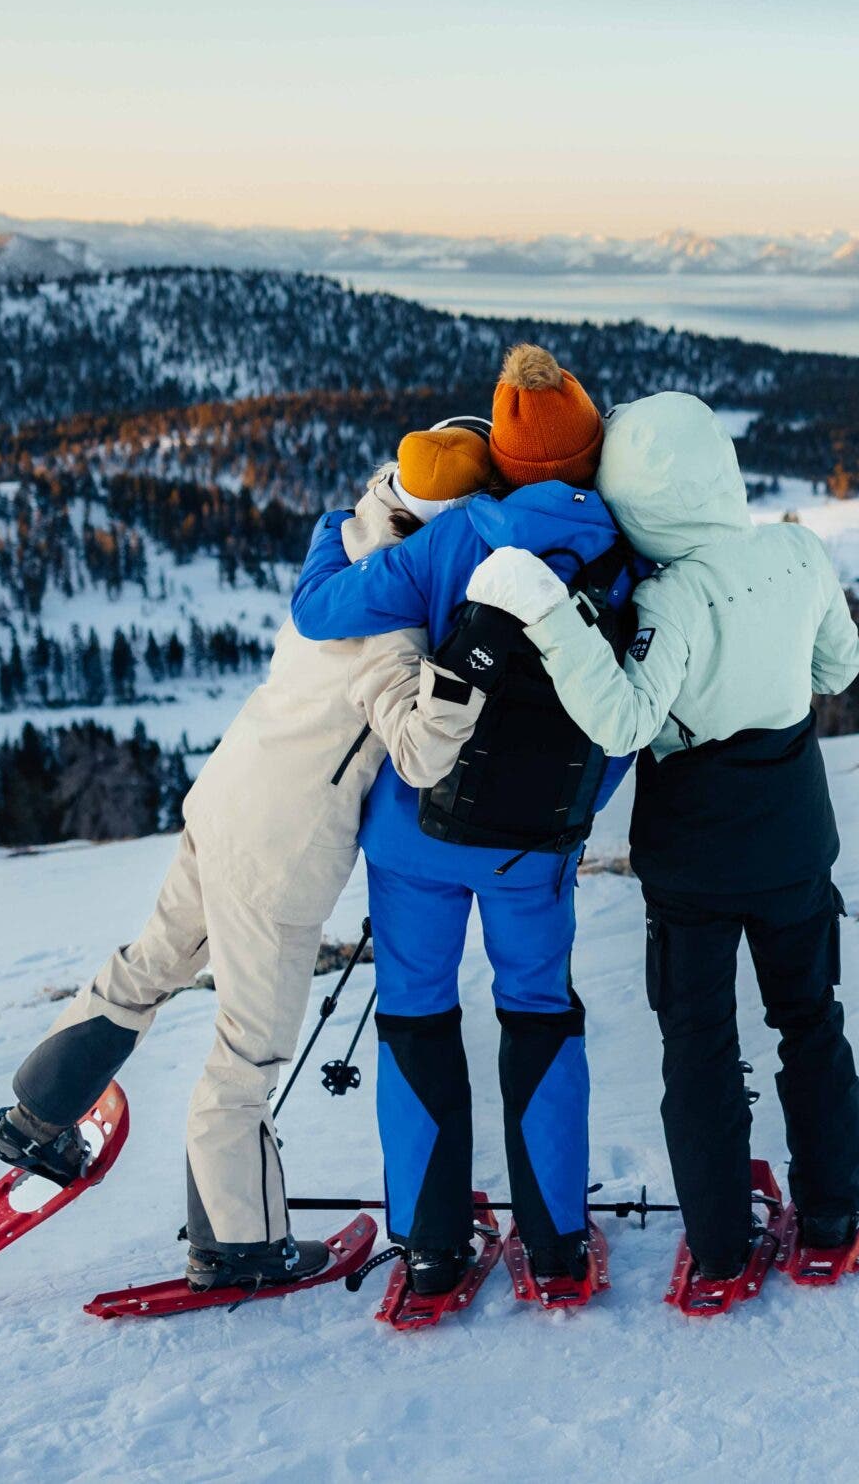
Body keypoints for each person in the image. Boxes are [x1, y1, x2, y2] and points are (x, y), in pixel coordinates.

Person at [0, 417, 498, 1291]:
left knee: (152, 962)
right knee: (249, 1053)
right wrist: (462, 681)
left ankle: (38, 1113)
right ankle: (239, 1245)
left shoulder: (345, 544)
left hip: (224, 796)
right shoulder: (393, 616)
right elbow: (416, 751)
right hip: (281, 849)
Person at [465, 389, 859, 1281]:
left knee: (699, 1041)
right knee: (810, 1021)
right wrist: (770, 672)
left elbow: (622, 720)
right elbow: (840, 664)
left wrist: (549, 611)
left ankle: (723, 1243)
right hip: (796, 835)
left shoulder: (670, 599)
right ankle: (835, 1212)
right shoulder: (799, 551)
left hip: (693, 853)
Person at [287, 343, 640, 1295]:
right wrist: (578, 811)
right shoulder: (623, 554)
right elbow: (627, 707)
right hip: (536, 846)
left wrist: (339, 522)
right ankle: (558, 1244)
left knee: (415, 1012)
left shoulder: (453, 539)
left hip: (417, 841)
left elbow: (321, 611)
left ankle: (435, 1247)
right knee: (540, 1011)